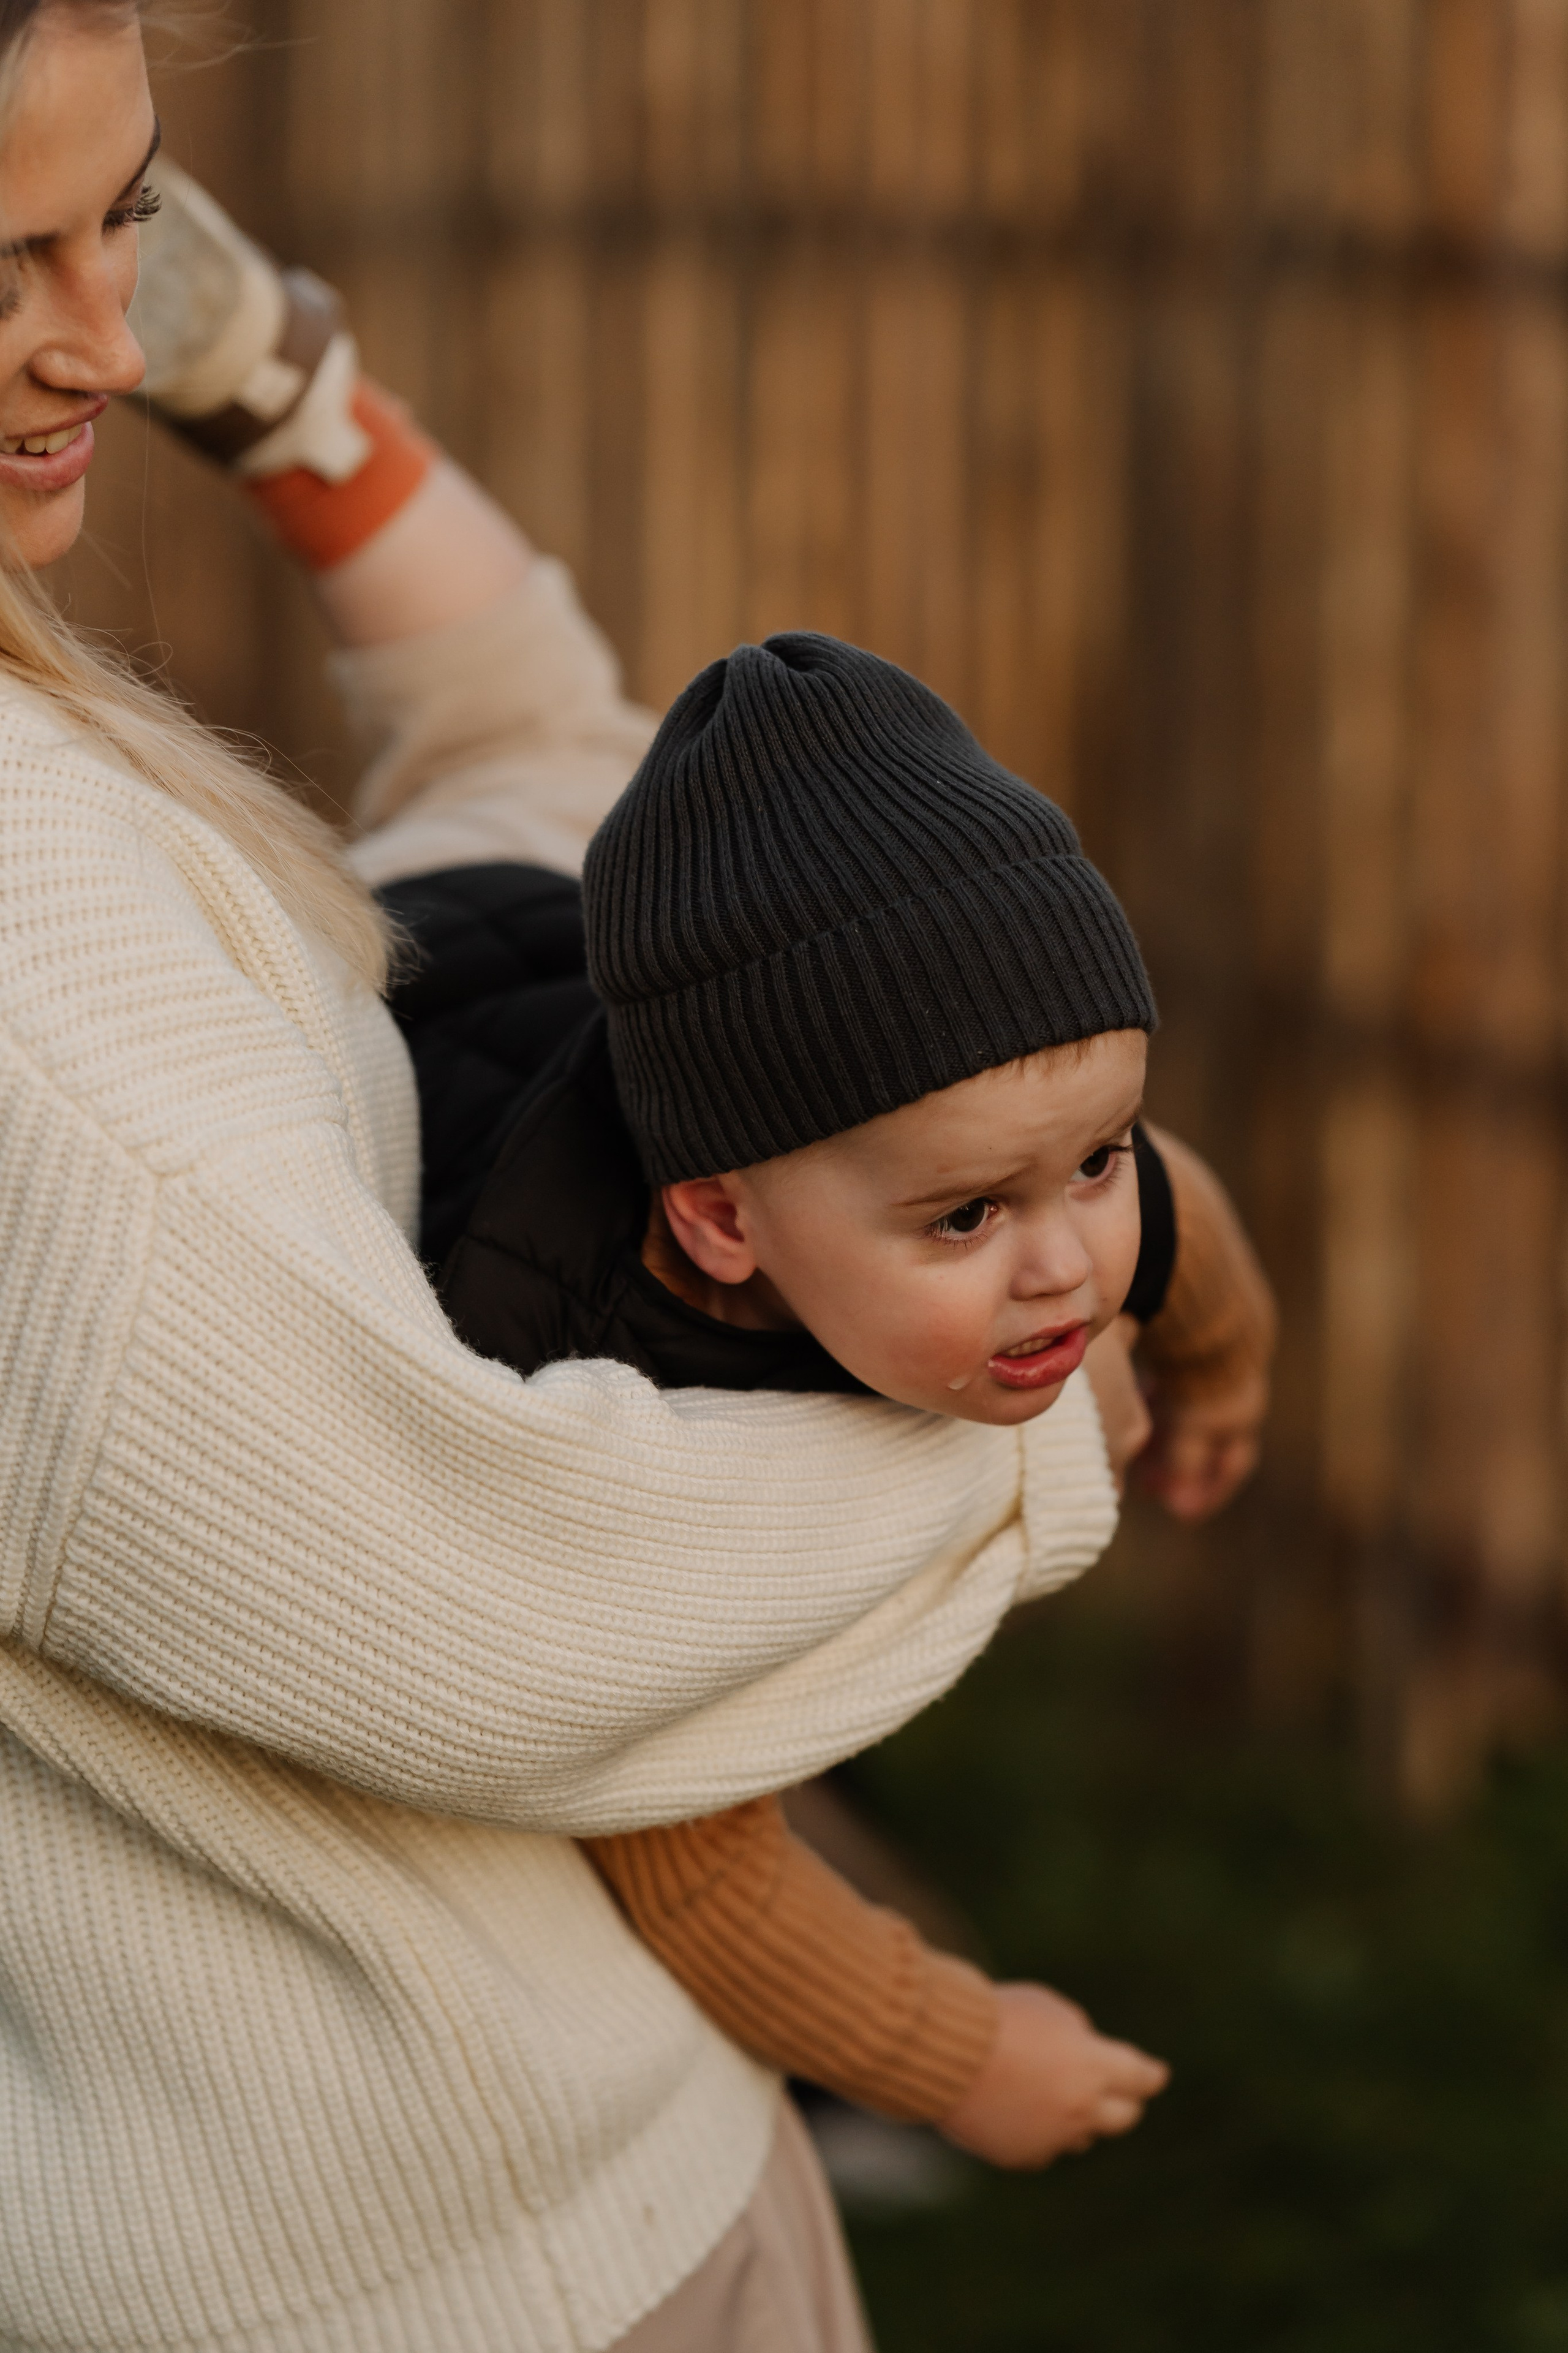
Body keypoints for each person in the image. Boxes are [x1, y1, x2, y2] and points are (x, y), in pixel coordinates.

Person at [0, 12, 1131, 2352]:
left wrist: (290, 406)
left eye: (129, 228)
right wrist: (1059, 1390)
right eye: (6, 262)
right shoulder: (38, 972)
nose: (105, 342)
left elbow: (530, 775)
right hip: (439, 2269)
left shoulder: (59, 745)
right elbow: (505, 1623)